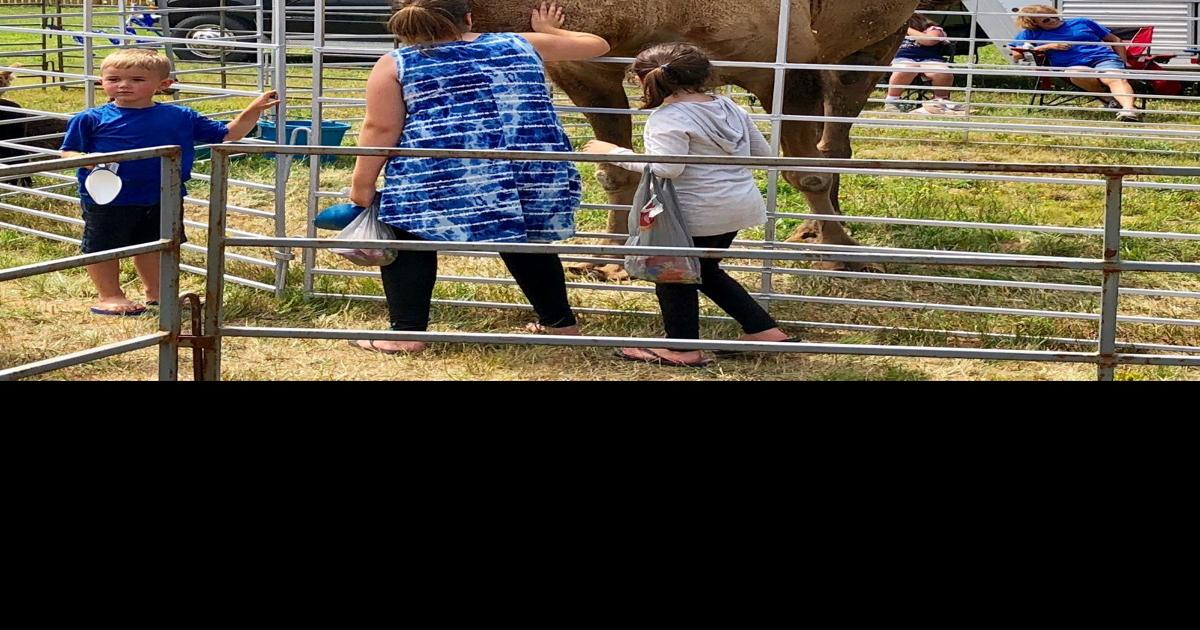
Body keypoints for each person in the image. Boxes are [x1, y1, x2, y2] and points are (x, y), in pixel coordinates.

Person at [346, 0, 609, 355]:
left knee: (408, 235)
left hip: (441, 171)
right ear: (468, 18)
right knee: (525, 238)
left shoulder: (396, 63)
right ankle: (561, 325)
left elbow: (380, 128)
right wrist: (548, 30)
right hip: (528, 169)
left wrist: (362, 185)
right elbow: (598, 44)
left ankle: (406, 334)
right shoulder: (521, 43)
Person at [581, 43, 794, 368]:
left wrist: (613, 153)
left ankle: (682, 349)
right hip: (737, 205)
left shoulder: (667, 117)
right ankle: (764, 330)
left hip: (694, 213)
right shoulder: (728, 106)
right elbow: (763, 155)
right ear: (703, 74)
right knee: (705, 271)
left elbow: (667, 168)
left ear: (643, 80)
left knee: (673, 277)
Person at [60, 48, 278, 316]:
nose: (124, 85)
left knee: (157, 244)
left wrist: (253, 110)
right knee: (104, 245)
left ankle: (158, 293)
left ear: (164, 85)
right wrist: (85, 158)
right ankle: (110, 295)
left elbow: (228, 135)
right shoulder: (89, 119)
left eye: (137, 79)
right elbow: (68, 151)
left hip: (165, 193)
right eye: (114, 78)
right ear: (101, 81)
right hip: (107, 196)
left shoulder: (181, 116)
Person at [1011, 4, 1140, 122]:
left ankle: (1129, 110)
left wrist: (1123, 62)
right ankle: (1109, 99)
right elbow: (1016, 55)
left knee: (1113, 77)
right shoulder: (1031, 34)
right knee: (1076, 73)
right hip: (1072, 65)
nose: (1053, 20)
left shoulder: (1082, 22)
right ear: (1034, 24)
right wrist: (1047, 46)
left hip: (1103, 58)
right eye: (1046, 20)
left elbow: (1115, 39)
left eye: (1053, 16)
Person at [884, 15, 966, 115]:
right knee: (907, 69)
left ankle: (941, 101)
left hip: (929, 59)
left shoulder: (934, 29)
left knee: (942, 73)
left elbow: (929, 40)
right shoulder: (896, 32)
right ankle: (892, 101)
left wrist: (906, 28)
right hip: (903, 59)